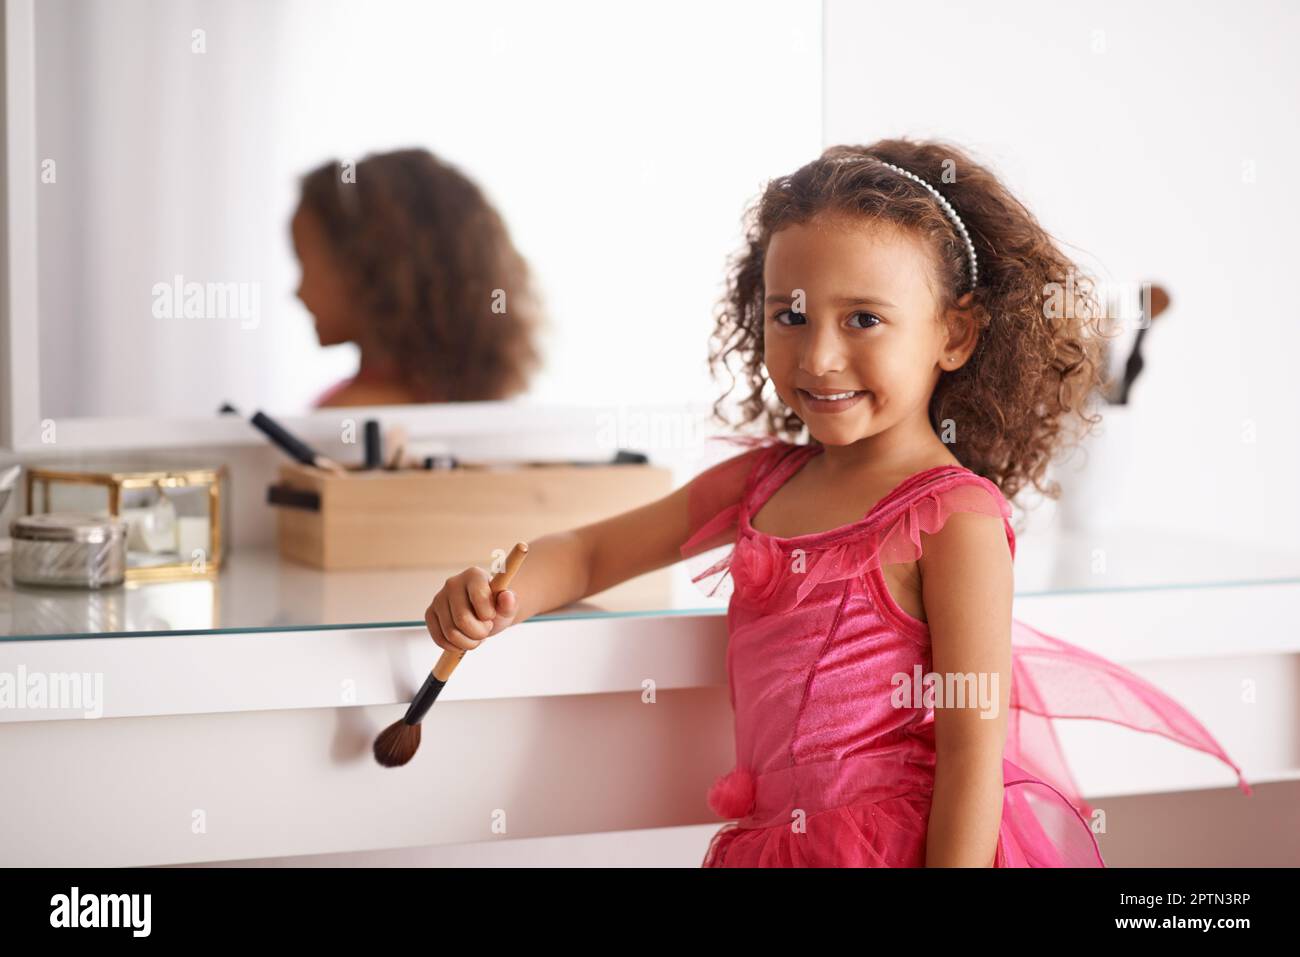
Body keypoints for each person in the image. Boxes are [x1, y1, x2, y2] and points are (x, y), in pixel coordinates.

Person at [420, 138, 1251, 867]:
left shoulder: (953, 519)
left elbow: (972, 757)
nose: (818, 355)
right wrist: (497, 590)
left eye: (863, 318)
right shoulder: (762, 483)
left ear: (955, 335)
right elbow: (596, 553)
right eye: (791, 314)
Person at [291, 148, 543, 408]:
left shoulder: (349, 411)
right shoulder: (491, 409)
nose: (297, 293)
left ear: (370, 269)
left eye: (304, 264)